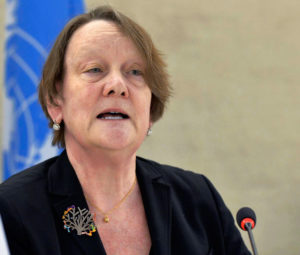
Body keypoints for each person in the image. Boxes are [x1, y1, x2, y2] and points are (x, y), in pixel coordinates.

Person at [0, 6, 251, 255]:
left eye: (135, 72)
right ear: (56, 102)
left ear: (151, 107)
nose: (117, 86)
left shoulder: (197, 199)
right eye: (95, 69)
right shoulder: (12, 210)